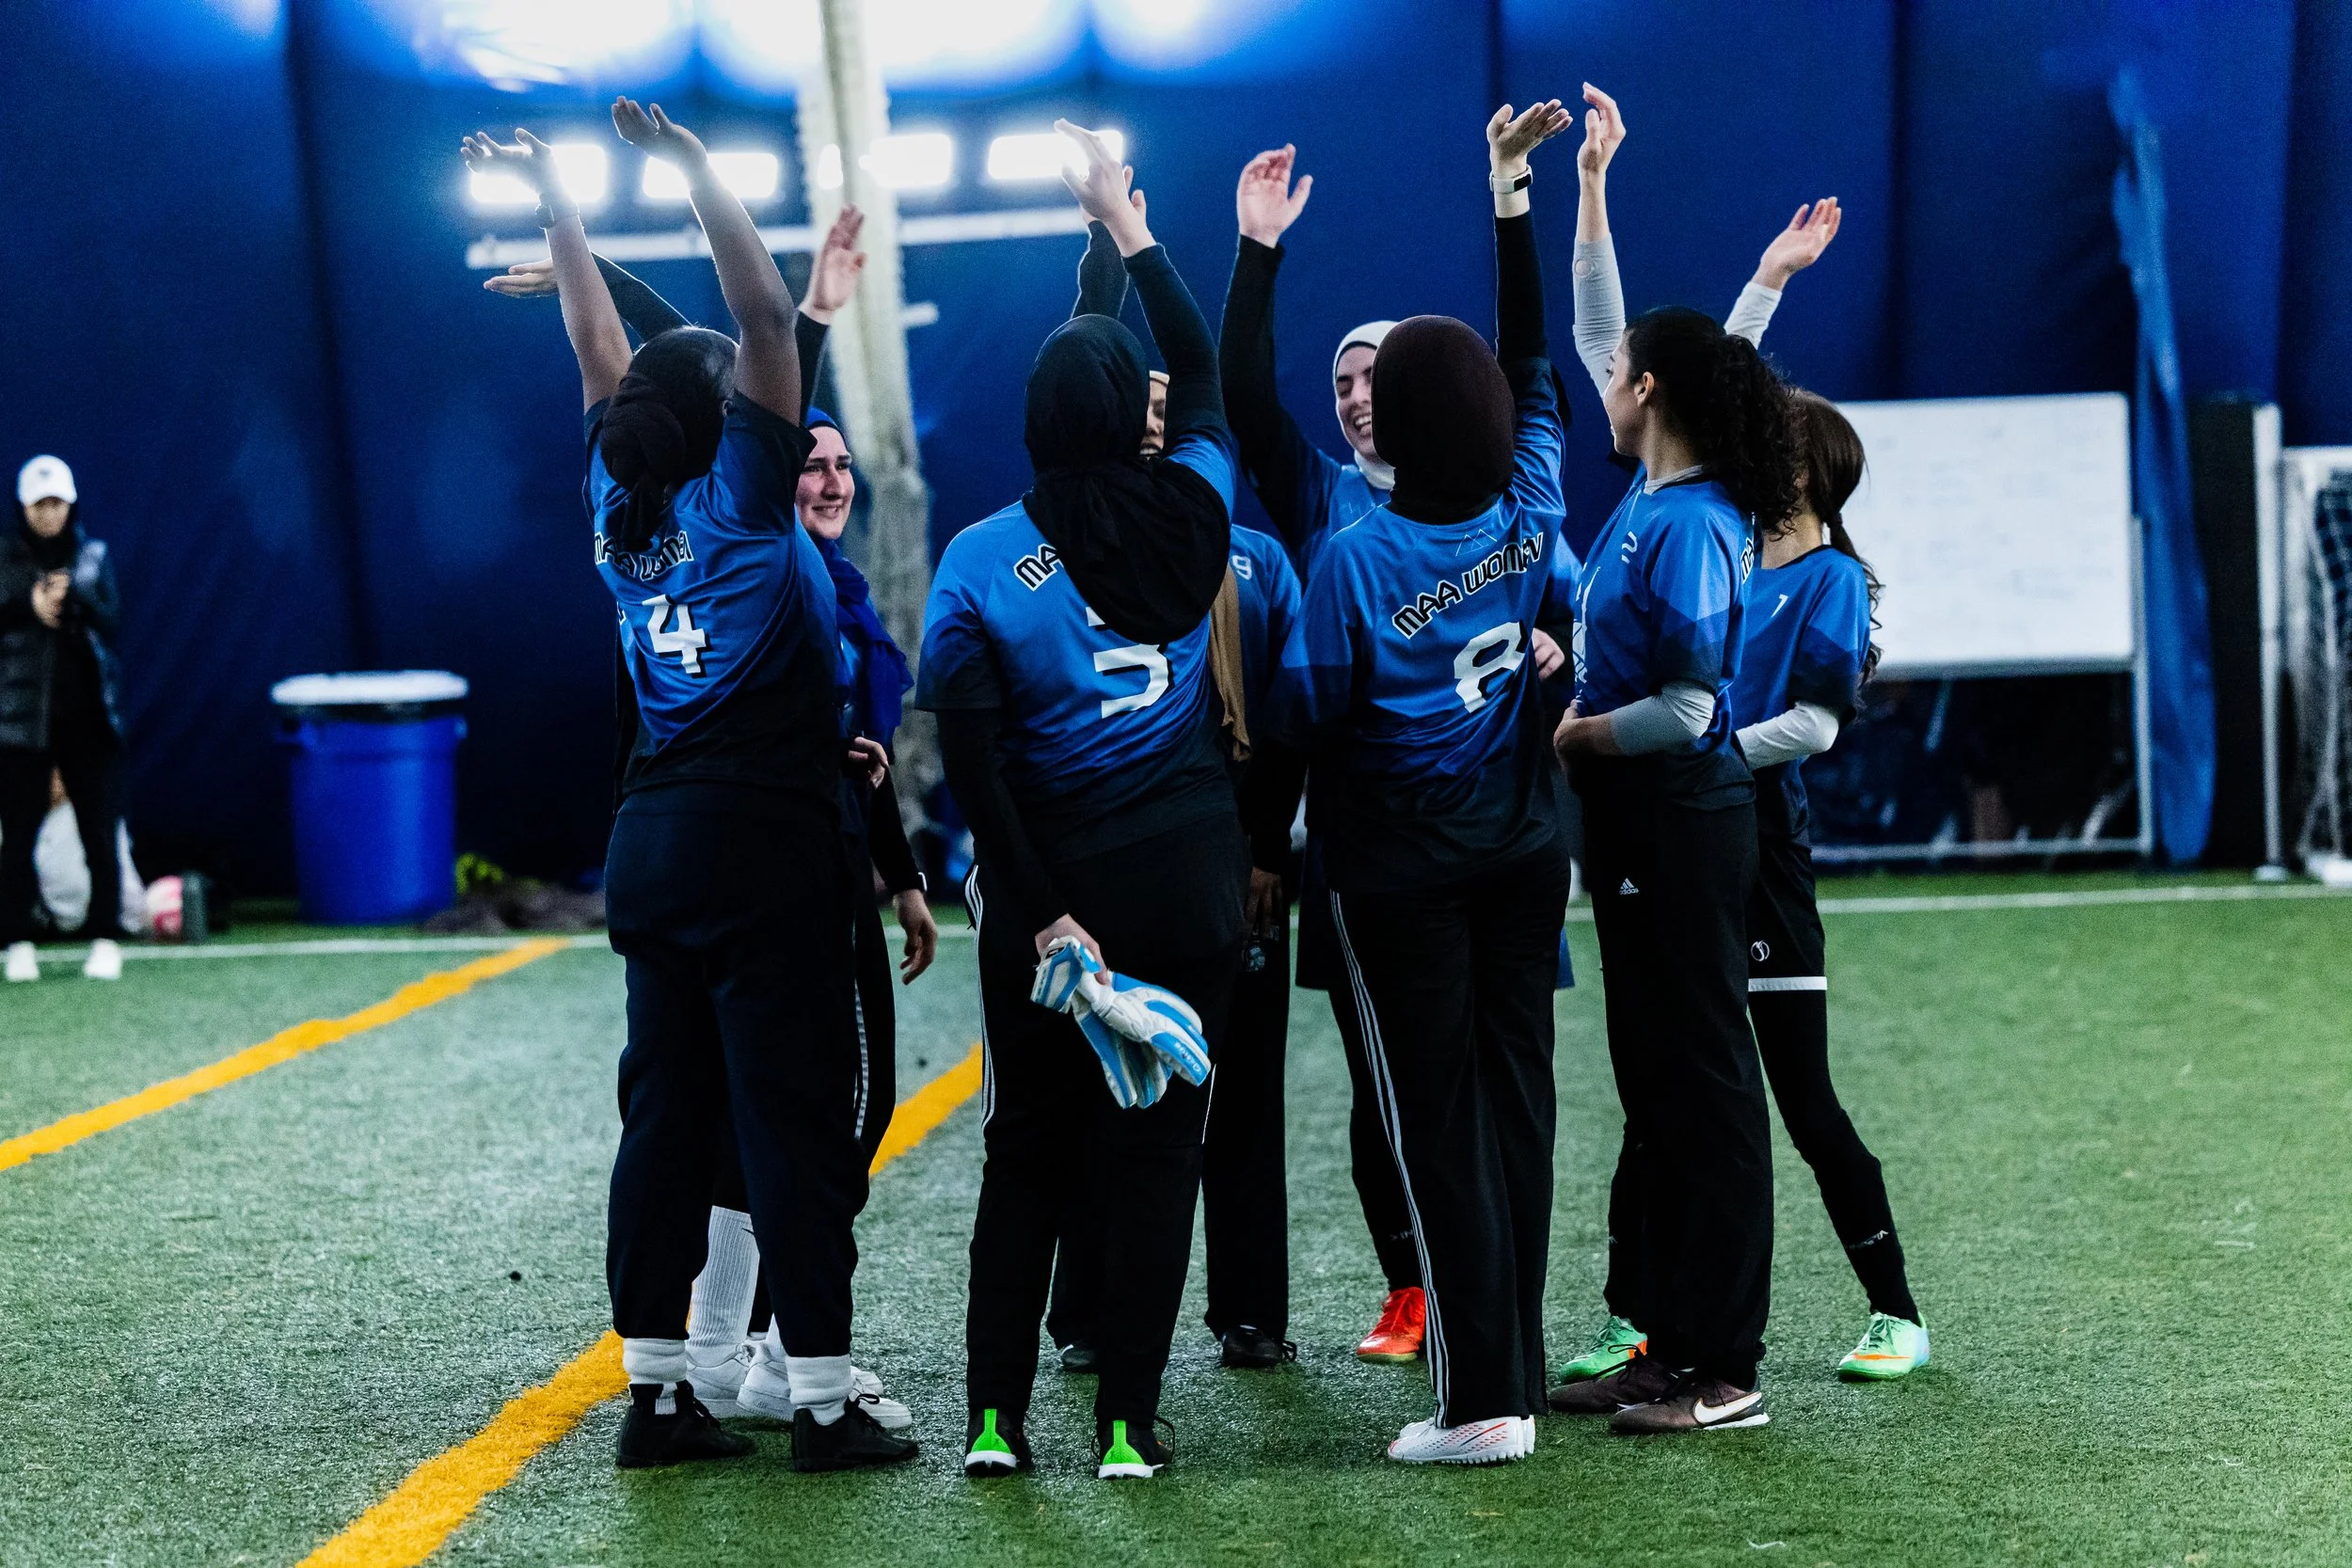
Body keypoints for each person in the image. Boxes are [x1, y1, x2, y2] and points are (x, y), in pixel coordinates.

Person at [461, 99, 914, 1474]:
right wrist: (696, 169)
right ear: (727, 415)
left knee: (662, 1117)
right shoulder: (745, 501)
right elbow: (767, 318)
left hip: (647, 840)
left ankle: (657, 1393)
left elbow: (599, 351)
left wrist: (562, 205)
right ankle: (820, 1396)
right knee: (790, 1114)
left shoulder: (619, 509)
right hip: (760, 836)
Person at [915, 121, 1245, 1481]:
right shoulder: (1199, 510)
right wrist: (1128, 228)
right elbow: (1201, 371)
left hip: (1050, 899)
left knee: (1028, 1157)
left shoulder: (979, 558)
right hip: (1187, 886)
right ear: (1131, 411)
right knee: (1158, 1158)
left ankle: (996, 1419)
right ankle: (1127, 1423)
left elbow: (973, 768)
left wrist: (1043, 913)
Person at [1224, 143, 1571, 1366]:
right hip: (1505, 844)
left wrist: (1561, 647)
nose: (1356, 395)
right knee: (1424, 1089)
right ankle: (1435, 1299)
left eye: (1377, 375)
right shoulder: (1497, 498)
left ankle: (1478, 1354)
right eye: (1342, 380)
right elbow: (1252, 399)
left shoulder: (1360, 550)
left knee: (1436, 1088)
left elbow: (1299, 719)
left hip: (1400, 853)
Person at [1544, 81, 1846, 1389]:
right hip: (1642, 823)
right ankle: (1666, 1339)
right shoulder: (1658, 486)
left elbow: (1685, 710)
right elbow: (1614, 331)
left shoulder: (1689, 516)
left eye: (1620, 370)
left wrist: (1578, 738)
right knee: (1661, 1086)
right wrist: (1591, 184)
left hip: (1680, 813)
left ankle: (1724, 1364)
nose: (1600, 372)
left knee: (1710, 1088)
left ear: (1648, 390)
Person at [1729, 390, 1928, 1379]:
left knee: (1804, 1102)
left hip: (1764, 859)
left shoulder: (1831, 578)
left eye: (1768, 444)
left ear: (1803, 471)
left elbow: (1812, 727)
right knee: (1672, 1106)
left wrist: (1696, 755)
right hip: (1689, 852)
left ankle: (1897, 1313)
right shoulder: (1723, 559)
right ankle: (1643, 1320)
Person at [1, 455, 129, 985]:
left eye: (56, 503)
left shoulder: (94, 557)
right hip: (21, 727)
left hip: (88, 725)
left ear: (70, 505)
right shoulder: (4, 560)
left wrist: (74, 600)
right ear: (23, 508)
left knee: (99, 833)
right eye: (39, 504)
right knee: (17, 837)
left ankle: (105, 938)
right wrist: (28, 605)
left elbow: (112, 623)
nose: (49, 513)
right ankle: (17, 941)